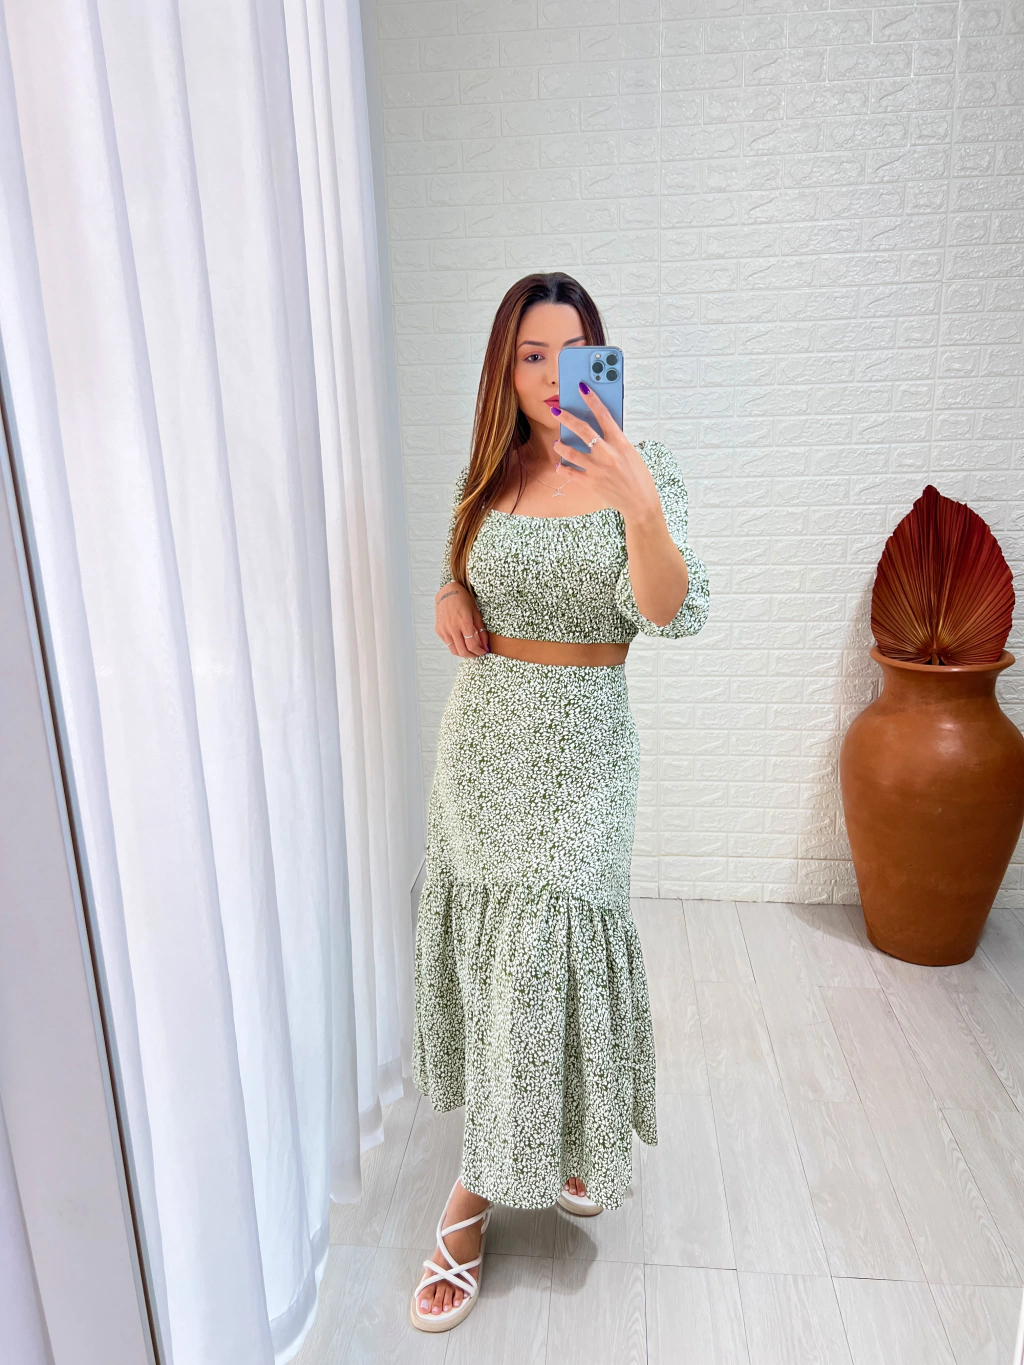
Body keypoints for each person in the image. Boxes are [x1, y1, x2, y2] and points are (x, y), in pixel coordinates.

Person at [409, 272, 710, 1332]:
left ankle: (471, 1201)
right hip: (484, 748)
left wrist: (639, 505)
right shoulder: (488, 473)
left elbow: (667, 610)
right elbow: (462, 572)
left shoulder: (642, 467)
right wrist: (449, 592)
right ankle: (506, 1170)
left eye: (567, 352)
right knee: (503, 964)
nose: (547, 375)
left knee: (549, 956)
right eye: (528, 355)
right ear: (505, 367)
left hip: (585, 750)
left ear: (598, 358)